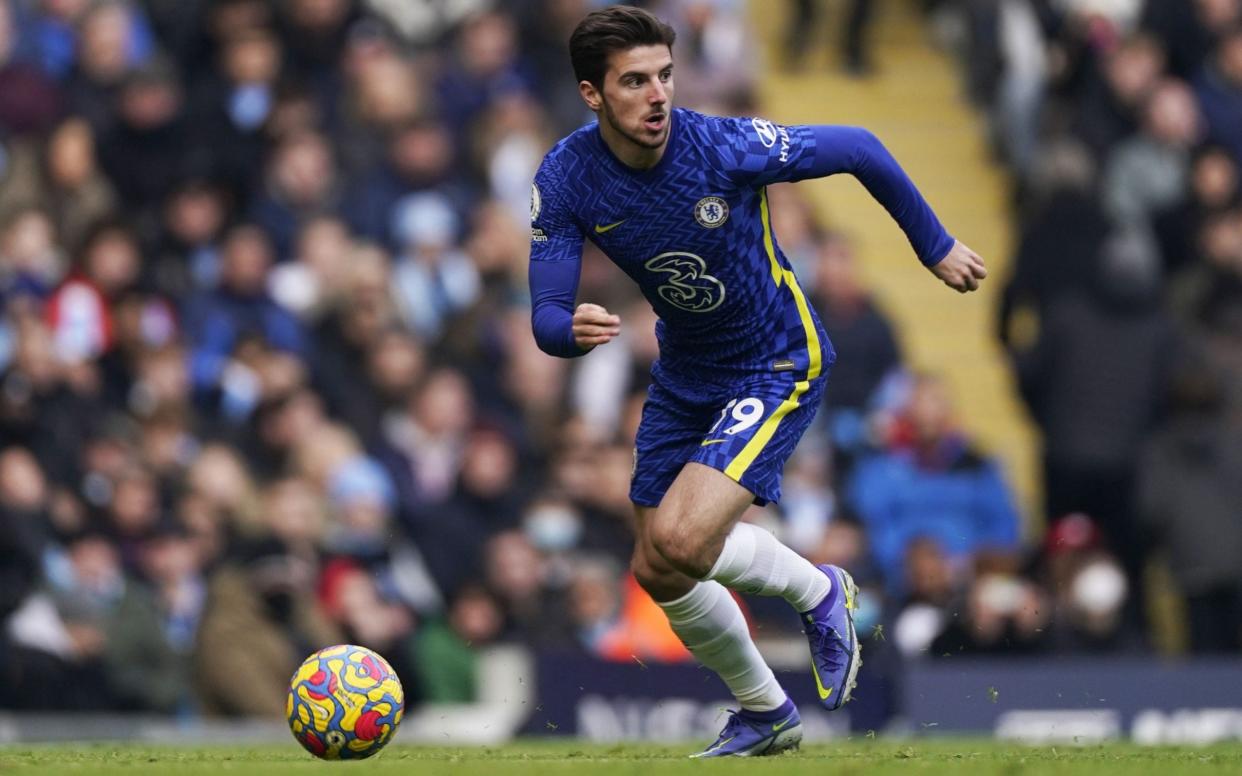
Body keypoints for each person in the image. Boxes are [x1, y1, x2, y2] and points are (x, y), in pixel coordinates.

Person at [527, 5, 987, 757]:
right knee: (656, 568)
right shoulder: (567, 175)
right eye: (635, 81)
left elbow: (861, 147)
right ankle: (765, 711)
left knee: (682, 537)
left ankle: (819, 591)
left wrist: (932, 245)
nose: (658, 96)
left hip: (775, 359)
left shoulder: (722, 146)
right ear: (592, 94)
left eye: (665, 77)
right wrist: (564, 329)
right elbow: (545, 307)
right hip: (685, 371)